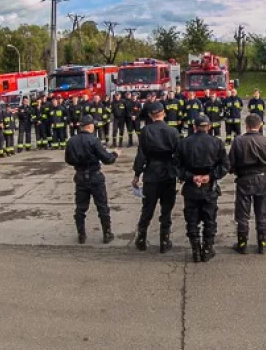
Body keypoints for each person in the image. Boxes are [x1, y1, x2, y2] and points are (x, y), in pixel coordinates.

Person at [175, 114, 229, 262]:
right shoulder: (217, 143)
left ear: (194, 127)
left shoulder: (183, 143)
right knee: (209, 219)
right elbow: (225, 166)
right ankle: (207, 248)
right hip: (208, 187)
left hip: (192, 187)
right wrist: (209, 176)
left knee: (192, 220)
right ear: (209, 127)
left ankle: (196, 250)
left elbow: (176, 167)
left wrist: (191, 177)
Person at [132, 102, 181, 253]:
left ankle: (141, 238)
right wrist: (179, 173)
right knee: (166, 209)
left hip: (151, 173)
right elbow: (178, 155)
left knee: (148, 208)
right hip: (168, 173)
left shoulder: (145, 131)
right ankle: (164, 240)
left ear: (150, 115)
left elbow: (141, 155)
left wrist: (136, 174)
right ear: (164, 113)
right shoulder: (172, 131)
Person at [65, 115, 120, 244]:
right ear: (90, 126)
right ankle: (107, 234)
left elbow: (68, 159)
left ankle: (81, 235)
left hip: (80, 176)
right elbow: (108, 159)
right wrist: (115, 154)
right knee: (102, 206)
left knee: (80, 208)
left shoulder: (72, 141)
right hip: (95, 176)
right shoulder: (94, 140)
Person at [228, 114, 266, 254]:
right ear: (260, 125)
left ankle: (242, 243)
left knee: (242, 213)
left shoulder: (238, 141)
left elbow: (230, 164)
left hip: (244, 179)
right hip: (260, 179)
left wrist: (236, 170)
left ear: (246, 125)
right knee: (261, 211)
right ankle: (262, 242)